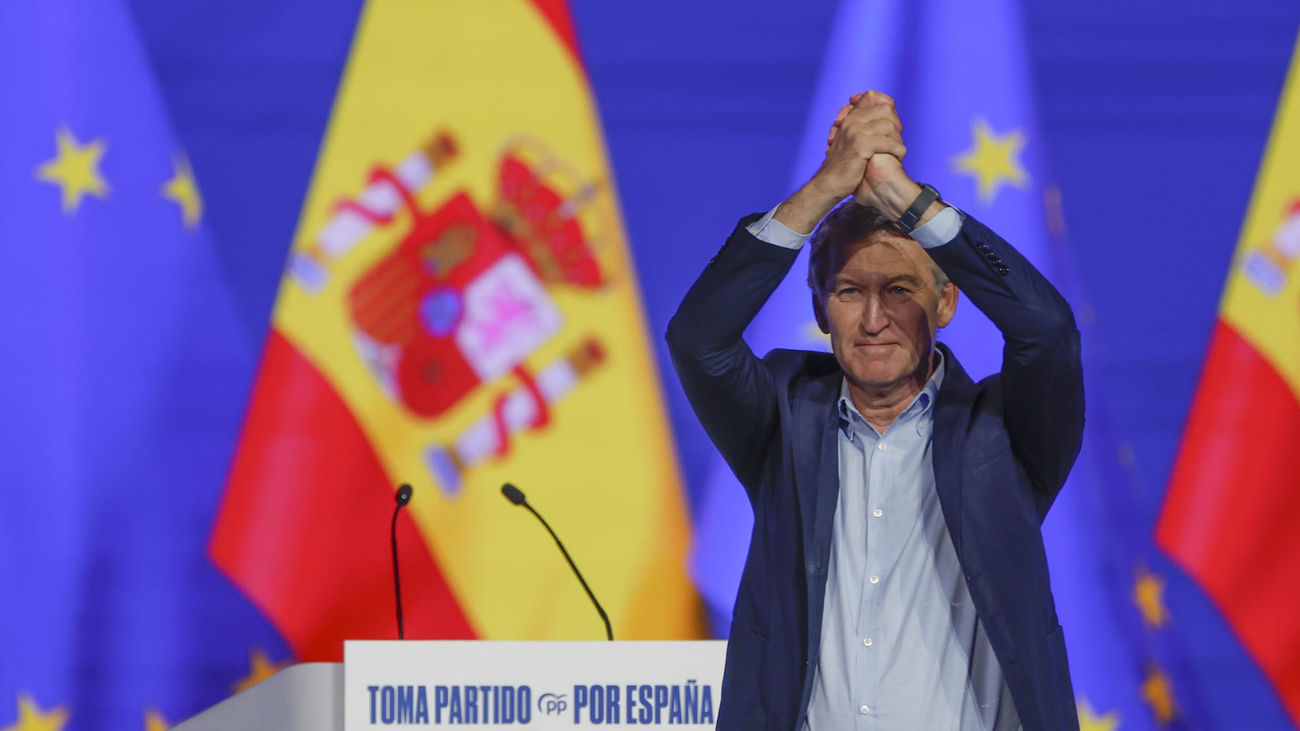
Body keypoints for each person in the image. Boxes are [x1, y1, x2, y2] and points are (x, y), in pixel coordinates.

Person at [666, 90, 1084, 730]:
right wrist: (827, 186)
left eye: (899, 290)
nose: (872, 319)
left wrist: (902, 197)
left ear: (946, 303)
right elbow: (698, 339)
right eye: (848, 292)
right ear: (819, 309)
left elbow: (1047, 332)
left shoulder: (1004, 431)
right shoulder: (782, 417)